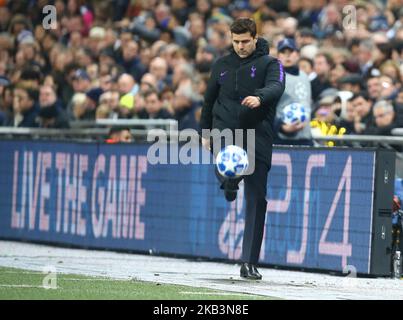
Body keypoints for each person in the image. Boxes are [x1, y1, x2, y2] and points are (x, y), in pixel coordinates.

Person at [200, 18, 285, 280]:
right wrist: (205, 132)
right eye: (235, 41)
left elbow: (277, 86)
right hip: (225, 130)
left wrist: (260, 97)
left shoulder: (271, 64)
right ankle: (229, 181)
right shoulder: (222, 65)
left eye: (245, 41)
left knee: (257, 200)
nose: (240, 46)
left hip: (258, 133)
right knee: (229, 162)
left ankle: (249, 262)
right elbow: (208, 99)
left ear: (255, 38)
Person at [274, 38, 313, 145]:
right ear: (278, 56)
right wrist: (280, 126)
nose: (287, 55)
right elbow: (265, 108)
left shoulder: (304, 76)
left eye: (291, 52)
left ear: (298, 54)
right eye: (283, 52)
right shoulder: (273, 77)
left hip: (305, 136)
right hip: (282, 139)